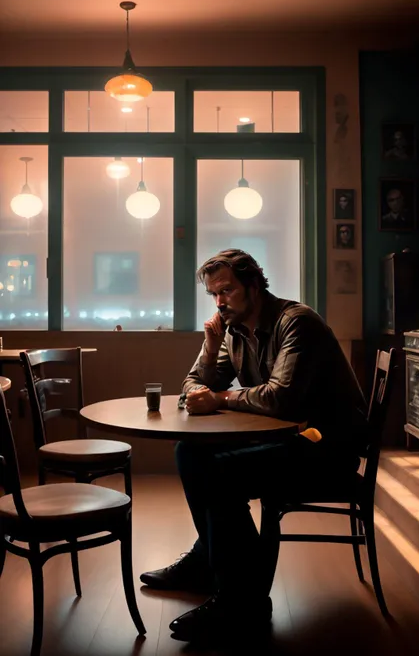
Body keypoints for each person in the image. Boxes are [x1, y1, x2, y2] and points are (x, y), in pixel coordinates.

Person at [140, 249, 367, 642]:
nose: (219, 302)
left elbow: (282, 399)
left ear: (254, 285)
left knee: (220, 471)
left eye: (226, 290)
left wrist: (221, 398)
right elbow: (194, 385)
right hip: (290, 441)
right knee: (190, 452)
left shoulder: (297, 323)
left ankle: (242, 603)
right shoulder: (234, 331)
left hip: (327, 448)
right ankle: (207, 564)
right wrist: (210, 352)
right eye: (213, 294)